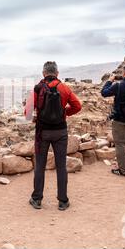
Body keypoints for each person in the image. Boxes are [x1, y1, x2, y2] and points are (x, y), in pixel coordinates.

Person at [25, 61, 82, 211]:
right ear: (57, 73)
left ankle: (37, 199)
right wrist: (64, 113)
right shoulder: (64, 88)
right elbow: (78, 106)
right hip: (61, 132)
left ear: (43, 73)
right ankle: (63, 201)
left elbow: (27, 113)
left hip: (42, 132)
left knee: (40, 166)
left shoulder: (37, 89)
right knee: (61, 166)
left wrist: (36, 116)